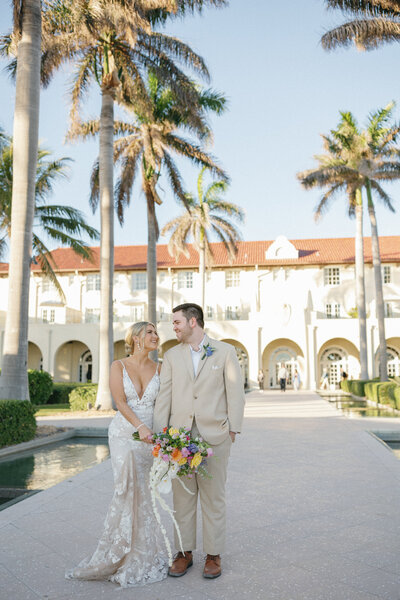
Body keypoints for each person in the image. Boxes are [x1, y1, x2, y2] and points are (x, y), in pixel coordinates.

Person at [65, 322, 168, 587]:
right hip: (125, 434)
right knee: (126, 489)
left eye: (156, 332)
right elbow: (120, 402)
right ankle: (118, 552)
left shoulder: (161, 368)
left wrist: (164, 435)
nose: (156, 336)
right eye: (150, 332)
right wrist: (141, 427)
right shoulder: (118, 366)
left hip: (150, 439)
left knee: (145, 492)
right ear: (135, 338)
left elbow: (166, 403)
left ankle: (143, 552)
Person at [153, 303, 245, 580]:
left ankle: (214, 555)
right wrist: (162, 438)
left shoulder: (225, 352)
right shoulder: (170, 356)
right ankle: (184, 553)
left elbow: (235, 393)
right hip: (179, 440)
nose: (174, 327)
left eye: (177, 322)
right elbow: (164, 398)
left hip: (215, 437)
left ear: (193, 322)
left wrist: (232, 431)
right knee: (183, 499)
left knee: (213, 499)